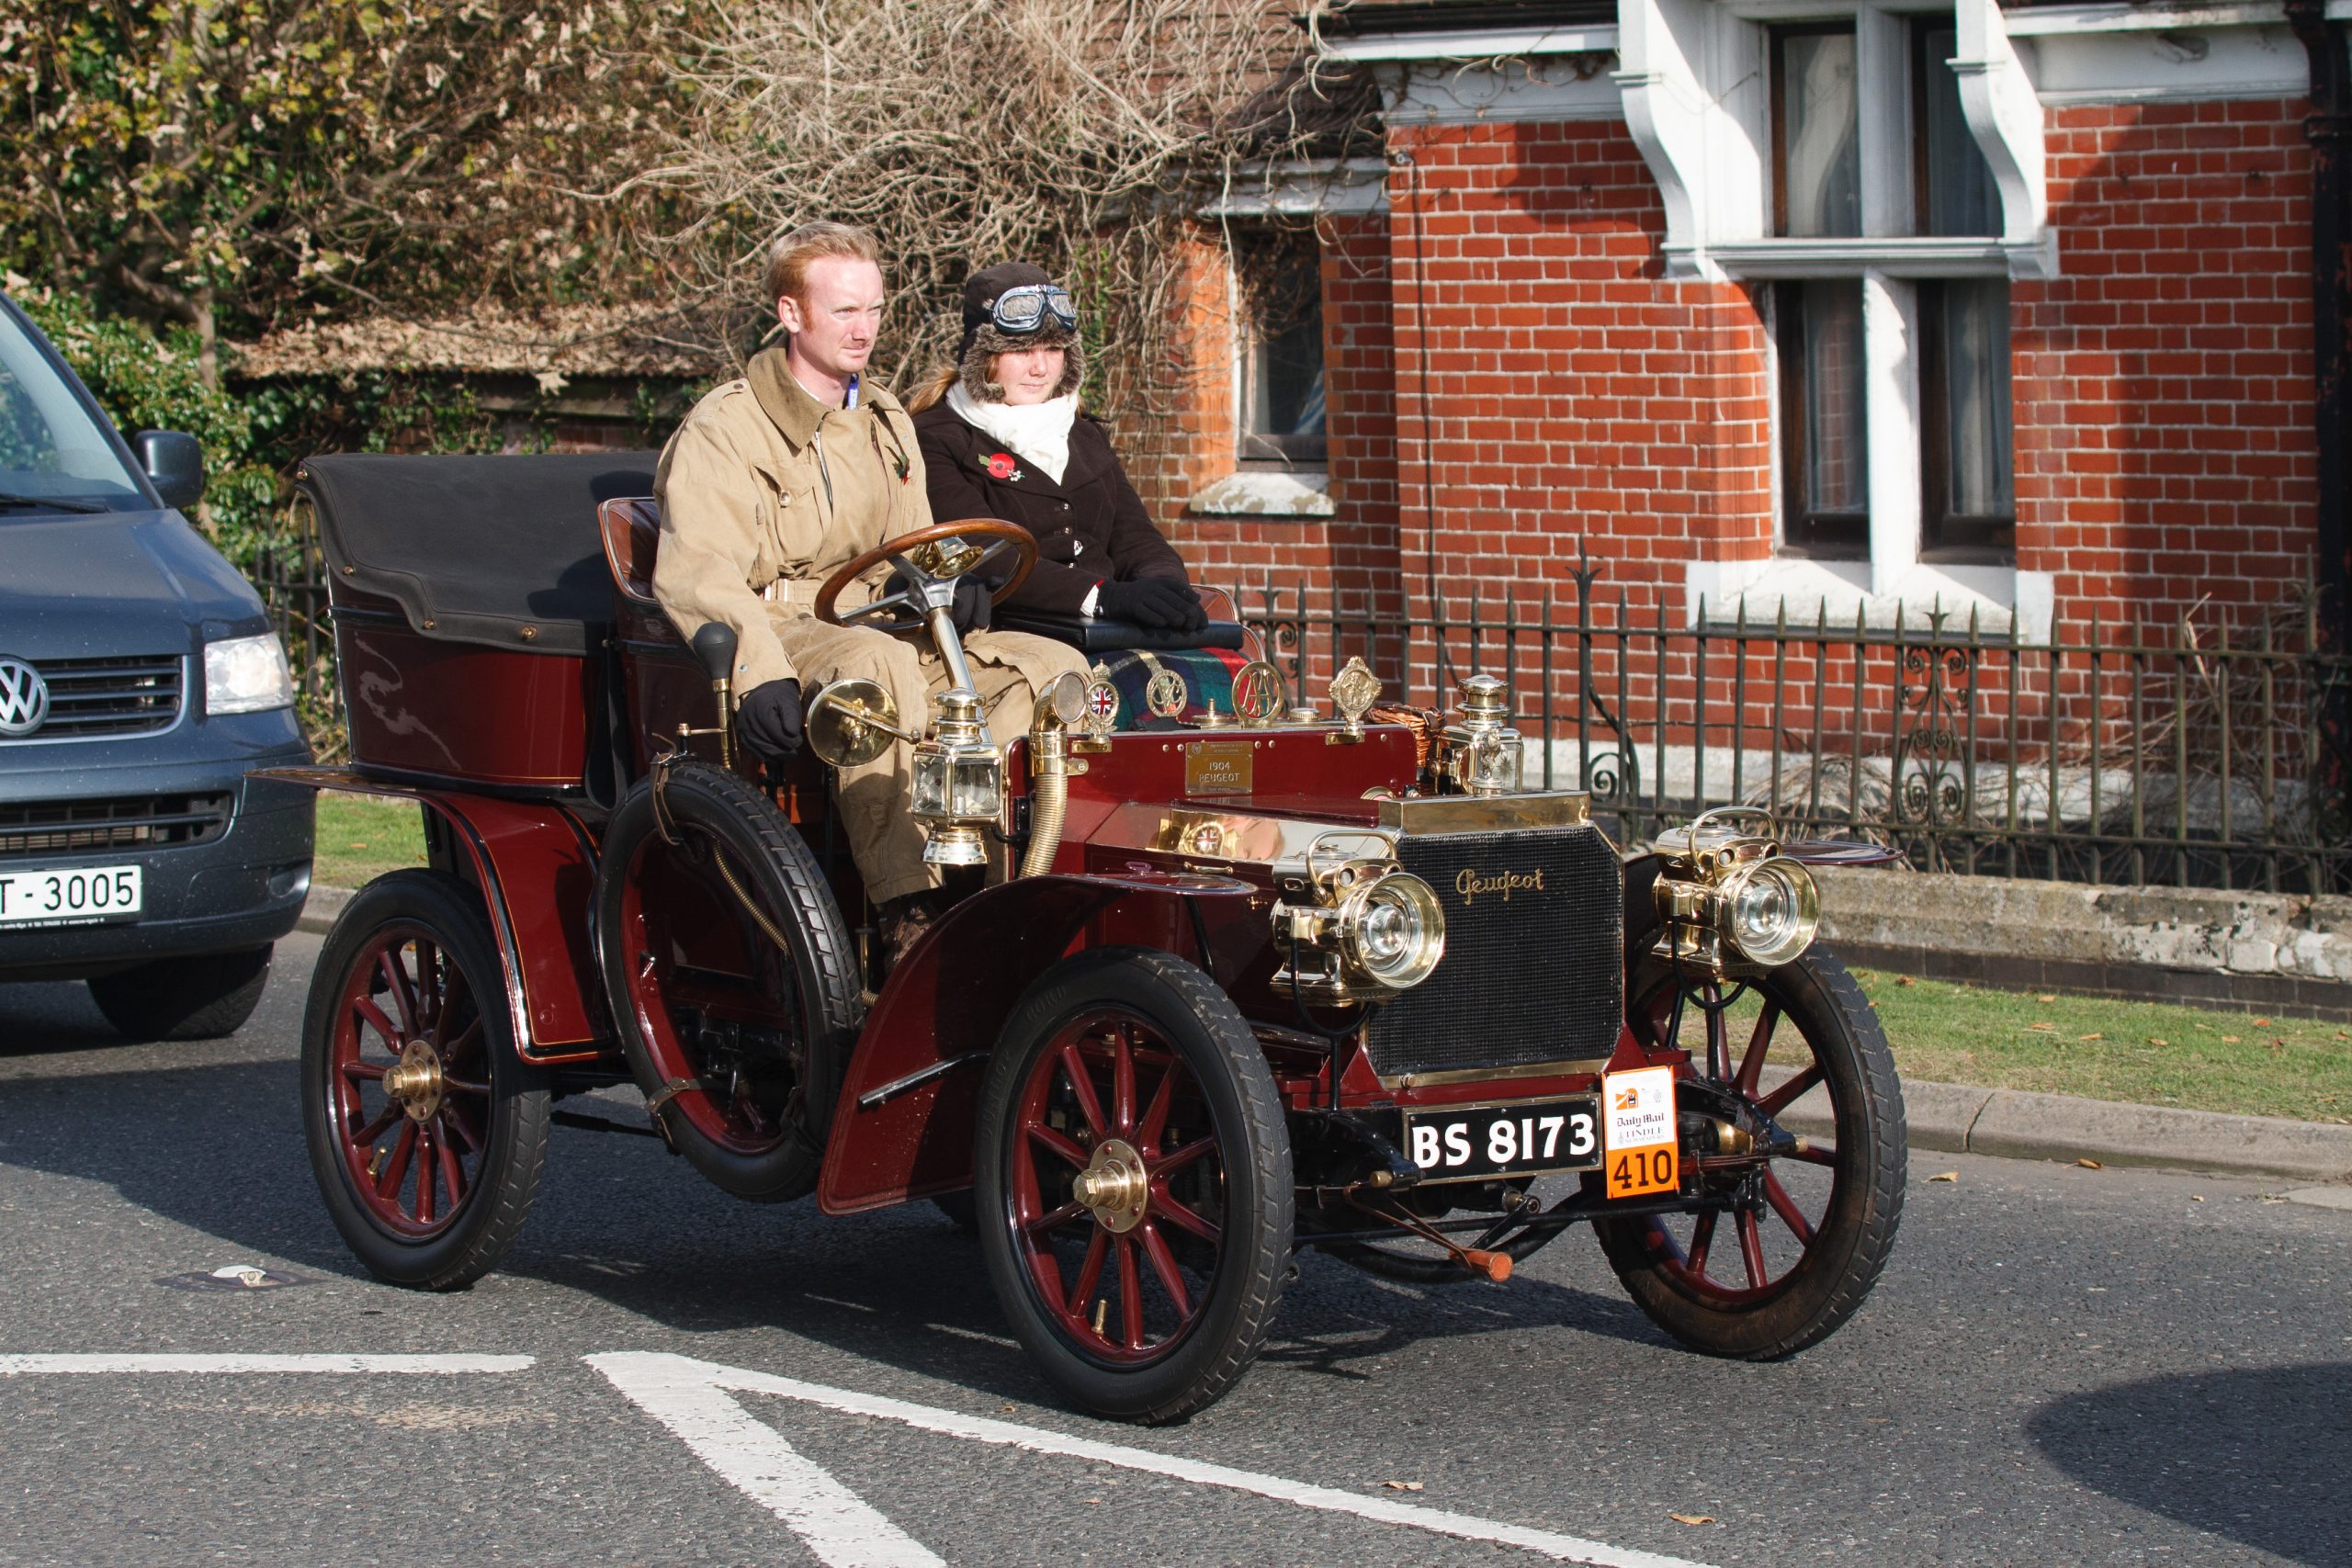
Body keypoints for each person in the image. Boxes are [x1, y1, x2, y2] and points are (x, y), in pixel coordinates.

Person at [652, 222, 1087, 959]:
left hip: (883, 619)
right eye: (845, 311)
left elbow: (916, 545)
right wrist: (759, 671)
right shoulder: (726, 426)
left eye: (875, 309)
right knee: (874, 667)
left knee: (1049, 669)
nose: (865, 329)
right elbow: (699, 572)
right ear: (791, 314)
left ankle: (1008, 890)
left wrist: (953, 581)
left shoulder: (886, 419)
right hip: (783, 624)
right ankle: (906, 914)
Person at [910, 262, 1205, 633]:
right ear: (982, 357)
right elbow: (985, 554)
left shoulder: (1083, 433)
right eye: (1020, 350)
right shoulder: (936, 437)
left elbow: (1135, 536)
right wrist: (1105, 597)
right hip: (1014, 634)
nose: (1040, 368)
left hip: (1109, 629)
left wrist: (1165, 585)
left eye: (1052, 348)